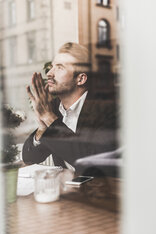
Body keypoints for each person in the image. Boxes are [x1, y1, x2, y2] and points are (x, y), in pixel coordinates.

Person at [22, 42, 117, 172]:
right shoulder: (54, 107)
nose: (49, 73)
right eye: (52, 67)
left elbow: (94, 165)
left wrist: (50, 118)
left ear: (81, 79)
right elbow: (29, 157)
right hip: (66, 189)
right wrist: (42, 128)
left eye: (60, 68)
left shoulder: (107, 109)